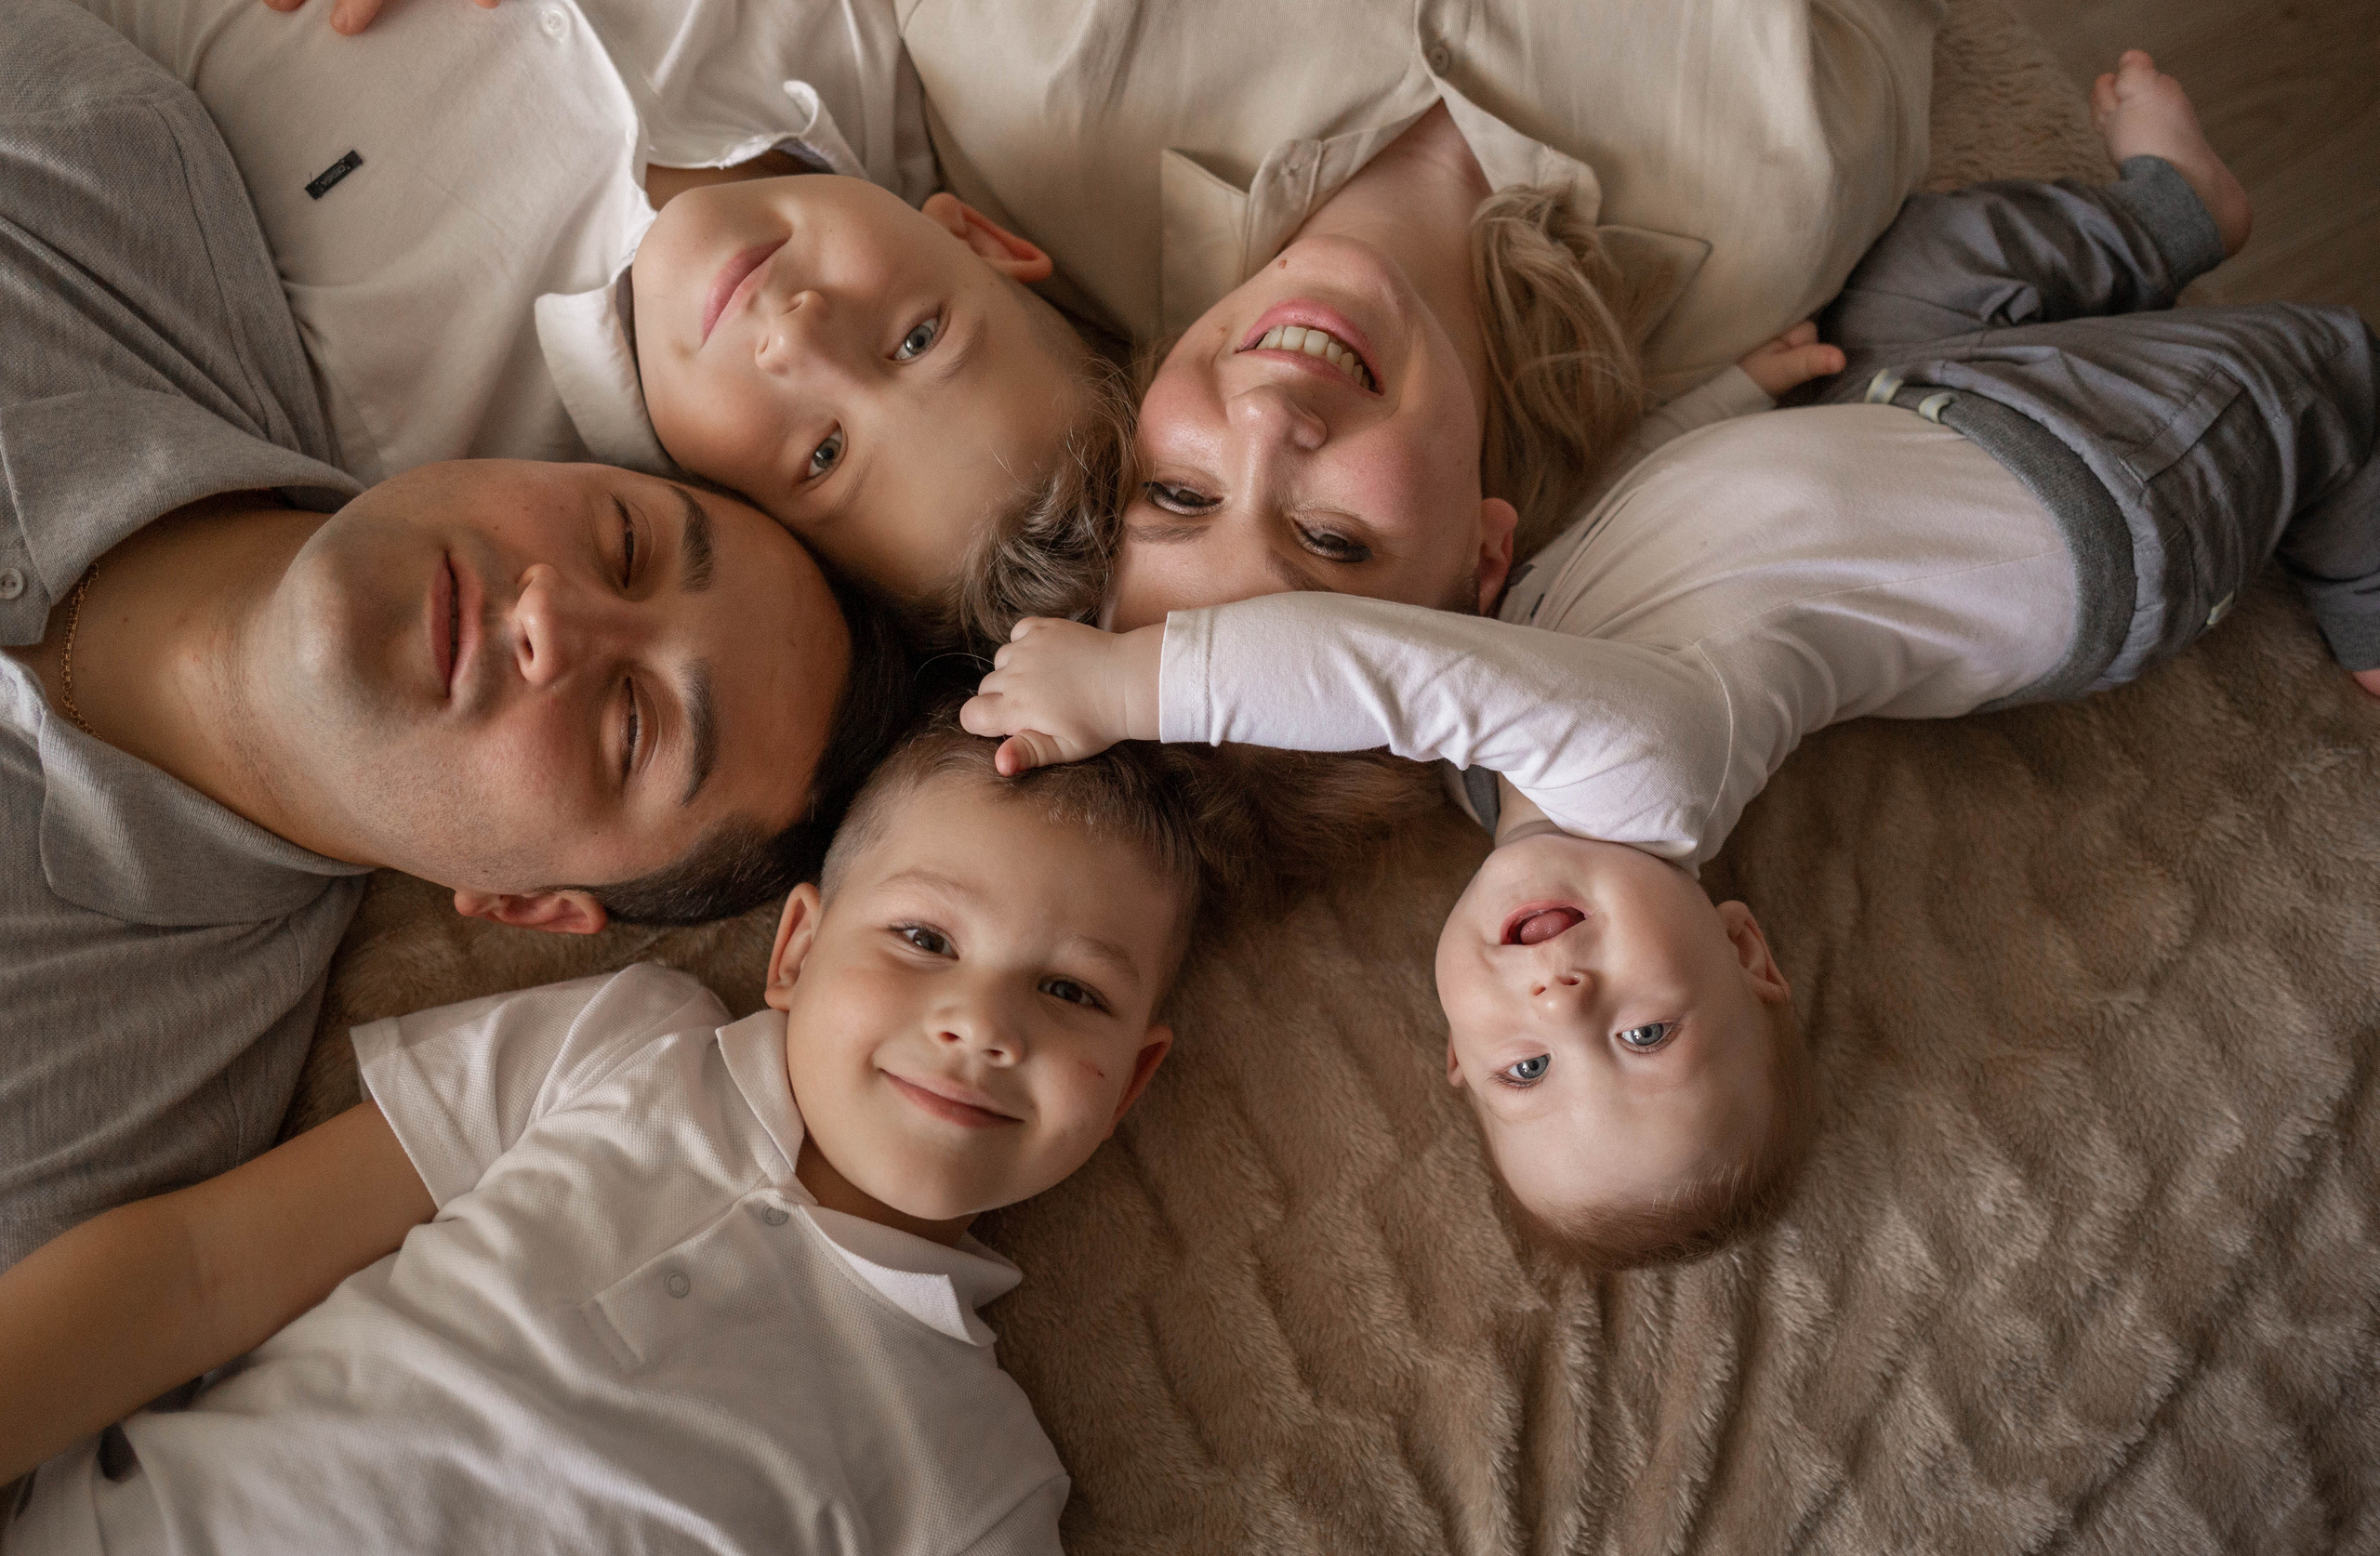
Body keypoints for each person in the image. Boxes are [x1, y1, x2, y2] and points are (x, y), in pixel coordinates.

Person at [959, 55, 2380, 1265]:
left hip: (1884, 414)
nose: (1568, 1003)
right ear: (1745, 946)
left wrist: (1720, 396)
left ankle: (2165, 218)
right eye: (1648, 1029)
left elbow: (1624, 539)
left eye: (1525, 1067)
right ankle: (2360, 555)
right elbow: (1383, 665)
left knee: (1900, 279)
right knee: (2318, 381)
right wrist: (1130, 682)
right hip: (2100, 512)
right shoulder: (1649, 776)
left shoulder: (1489, 765)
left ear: (1455, 1044)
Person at [0, 0, 909, 1272]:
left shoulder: (86, 1126)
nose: (548, 614)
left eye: (629, 721)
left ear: (529, 902)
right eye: (623, 542)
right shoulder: (81, 171)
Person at [0, 722, 1203, 1556]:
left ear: (1131, 1085)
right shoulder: (622, 1043)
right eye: (925, 934)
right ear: (795, 949)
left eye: (1069, 989)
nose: (984, 1022)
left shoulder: (980, 1484)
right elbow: (203, 1265)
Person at [73, 0, 1128, 640]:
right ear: (985, 240)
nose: (799, 336)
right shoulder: (874, 42)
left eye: (823, 454)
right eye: (917, 339)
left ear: (759, 535)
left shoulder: (412, 427)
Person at [887, 0, 1939, 631]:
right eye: (1333, 541)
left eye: (1177, 489)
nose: (1268, 424)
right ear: (1485, 559)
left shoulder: (1026, 93)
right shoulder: (1788, 185)